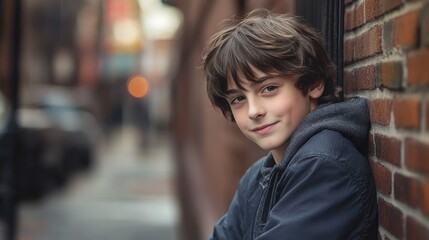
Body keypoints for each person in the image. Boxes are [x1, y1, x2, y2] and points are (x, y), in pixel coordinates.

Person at [201, 8, 378, 240]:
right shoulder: (256, 178)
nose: (254, 111)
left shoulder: (325, 166)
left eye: (269, 88)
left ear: (313, 83)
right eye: (238, 99)